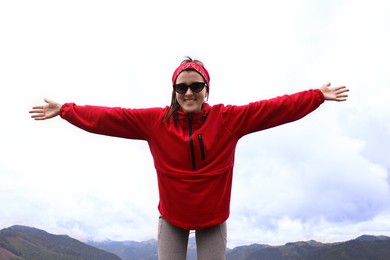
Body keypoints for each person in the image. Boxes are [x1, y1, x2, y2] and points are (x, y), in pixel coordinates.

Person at [30, 57, 349, 260]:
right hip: (172, 218)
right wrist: (66, 111)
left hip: (213, 219)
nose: (189, 92)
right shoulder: (156, 122)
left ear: (207, 89)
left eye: (197, 85)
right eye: (182, 87)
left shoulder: (228, 119)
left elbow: (274, 109)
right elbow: (110, 117)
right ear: (174, 91)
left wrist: (316, 96)